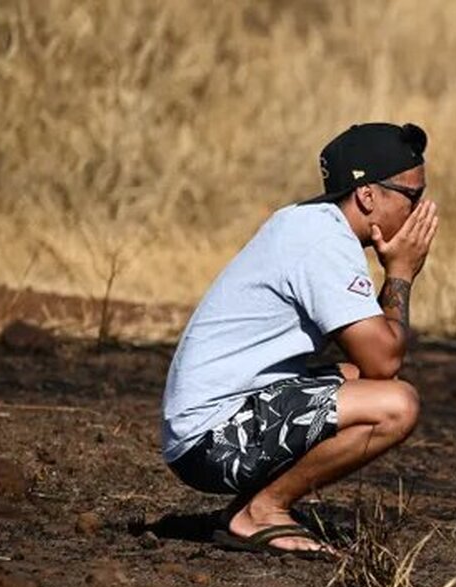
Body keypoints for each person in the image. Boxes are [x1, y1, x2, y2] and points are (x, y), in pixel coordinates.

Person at [160, 122, 438, 558]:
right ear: (368, 196)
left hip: (216, 420)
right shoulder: (322, 241)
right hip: (209, 441)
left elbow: (374, 361)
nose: (422, 212)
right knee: (398, 405)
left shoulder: (312, 225)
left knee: (362, 379)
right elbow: (387, 360)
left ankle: (252, 508)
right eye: (413, 198)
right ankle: (261, 511)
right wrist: (401, 274)